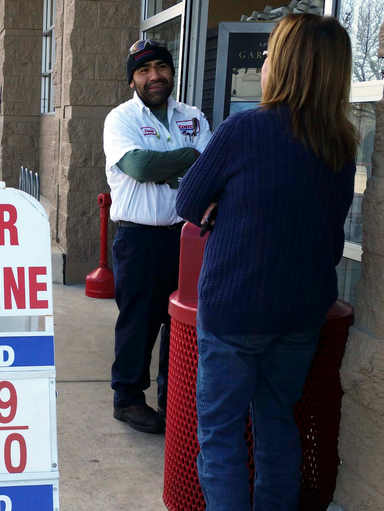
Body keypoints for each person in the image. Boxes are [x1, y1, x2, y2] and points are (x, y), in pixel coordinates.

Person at [175, 14, 356, 511]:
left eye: (272, 53)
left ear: (289, 66)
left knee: (221, 436)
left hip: (235, 309)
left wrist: (219, 207)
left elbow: (188, 202)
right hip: (300, 315)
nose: (266, 60)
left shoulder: (244, 129)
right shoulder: (341, 145)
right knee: (278, 423)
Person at [102, 39, 211, 434]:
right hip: (139, 239)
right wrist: (186, 161)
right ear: (132, 78)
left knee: (179, 325)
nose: (154, 77)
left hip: (186, 238)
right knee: (139, 323)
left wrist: (178, 167)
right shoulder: (121, 119)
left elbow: (210, 171)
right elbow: (139, 165)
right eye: (144, 71)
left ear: (171, 72)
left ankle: (173, 400)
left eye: (161, 68)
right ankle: (127, 398)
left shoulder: (193, 117)